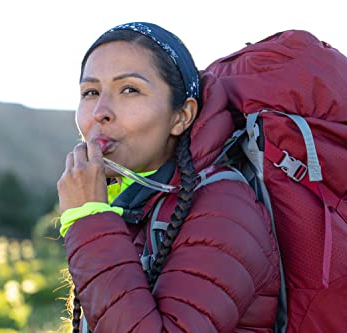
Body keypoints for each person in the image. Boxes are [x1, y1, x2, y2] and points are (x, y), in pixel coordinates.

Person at [57, 22, 281, 333]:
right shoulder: (136, 201)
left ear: (181, 117)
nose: (100, 111)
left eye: (130, 89)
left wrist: (89, 221)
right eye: (91, 92)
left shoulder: (223, 211)